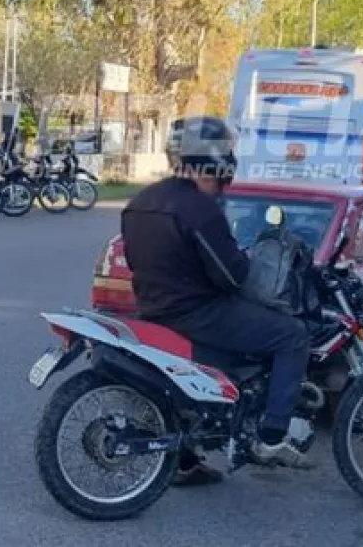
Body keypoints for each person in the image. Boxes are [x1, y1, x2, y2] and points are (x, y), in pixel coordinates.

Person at [121, 116, 314, 479]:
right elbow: (231, 277)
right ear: (217, 160)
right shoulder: (200, 209)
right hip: (197, 312)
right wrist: (243, 261)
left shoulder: (142, 200)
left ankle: (185, 458)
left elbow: (134, 260)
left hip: (151, 309)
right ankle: (271, 437)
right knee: (292, 334)